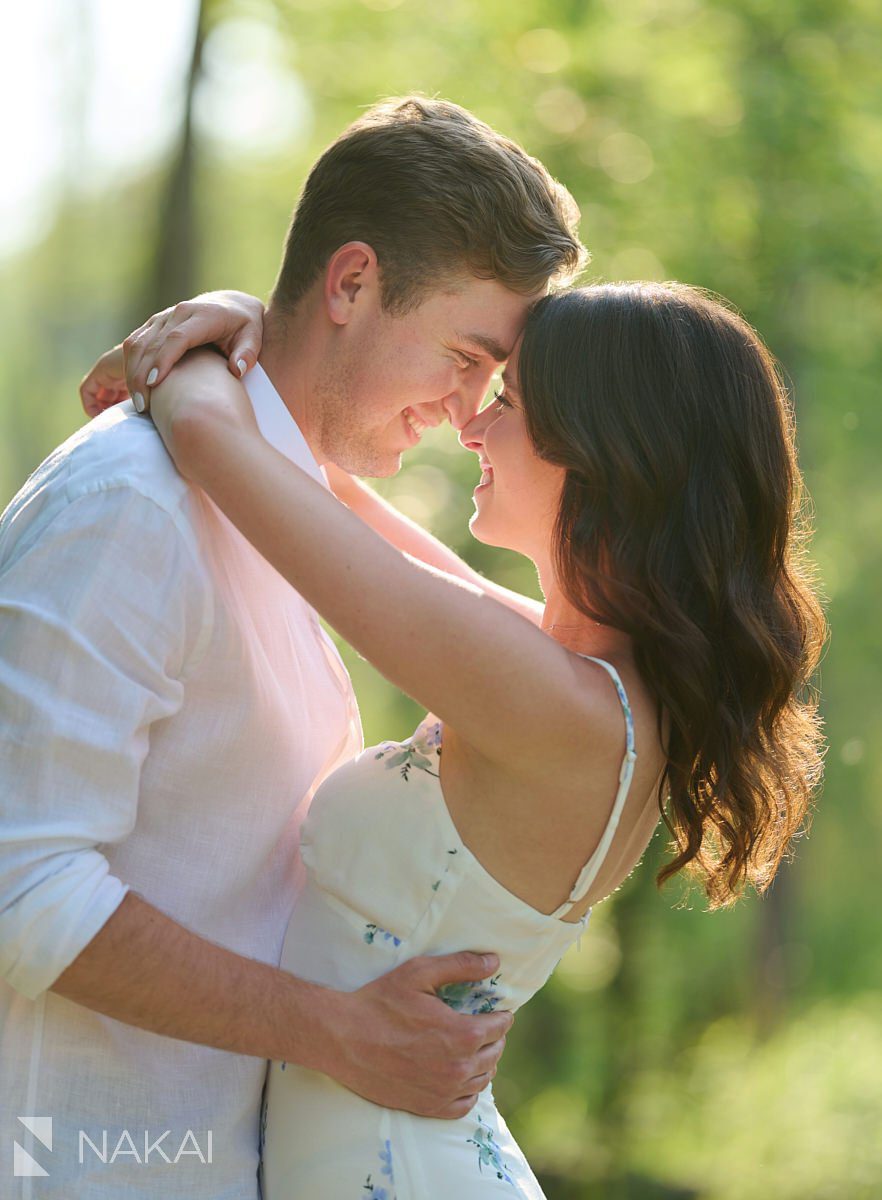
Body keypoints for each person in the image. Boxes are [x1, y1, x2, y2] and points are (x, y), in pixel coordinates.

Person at [102, 278, 826, 1196]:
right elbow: (333, 495)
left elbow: (217, 447)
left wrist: (182, 353)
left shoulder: (553, 703)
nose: (472, 427)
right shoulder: (577, 680)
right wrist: (258, 324)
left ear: (605, 454)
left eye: (509, 403)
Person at [0, 96, 584, 1197]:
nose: (470, 416)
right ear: (352, 283)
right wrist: (336, 1031)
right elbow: (20, 882)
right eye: (466, 357)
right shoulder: (132, 505)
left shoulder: (275, 517)